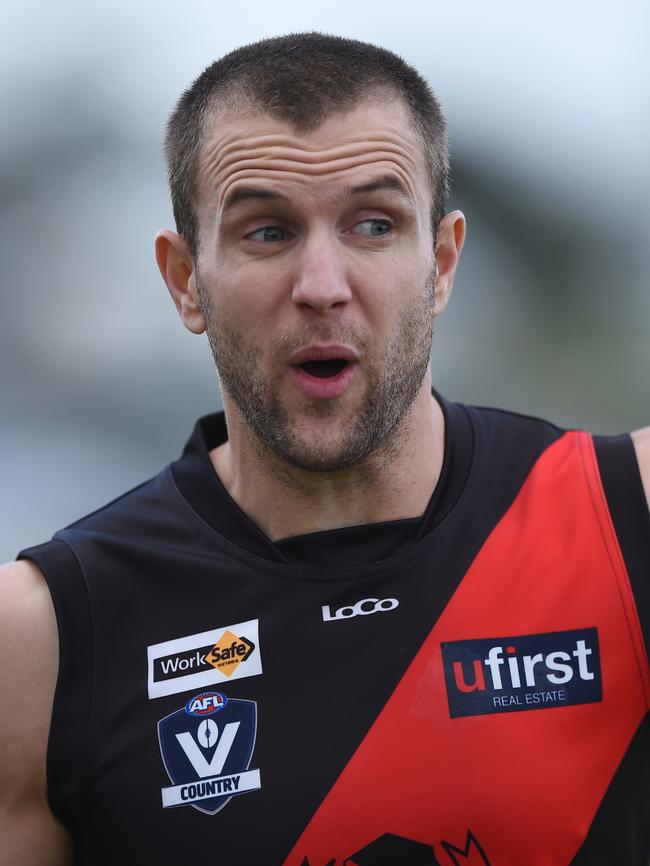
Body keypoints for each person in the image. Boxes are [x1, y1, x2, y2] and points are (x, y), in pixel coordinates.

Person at [1, 32, 649, 866]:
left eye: (373, 225)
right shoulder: (45, 636)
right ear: (184, 281)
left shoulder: (621, 517)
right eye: (266, 232)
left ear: (442, 263)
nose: (321, 285)